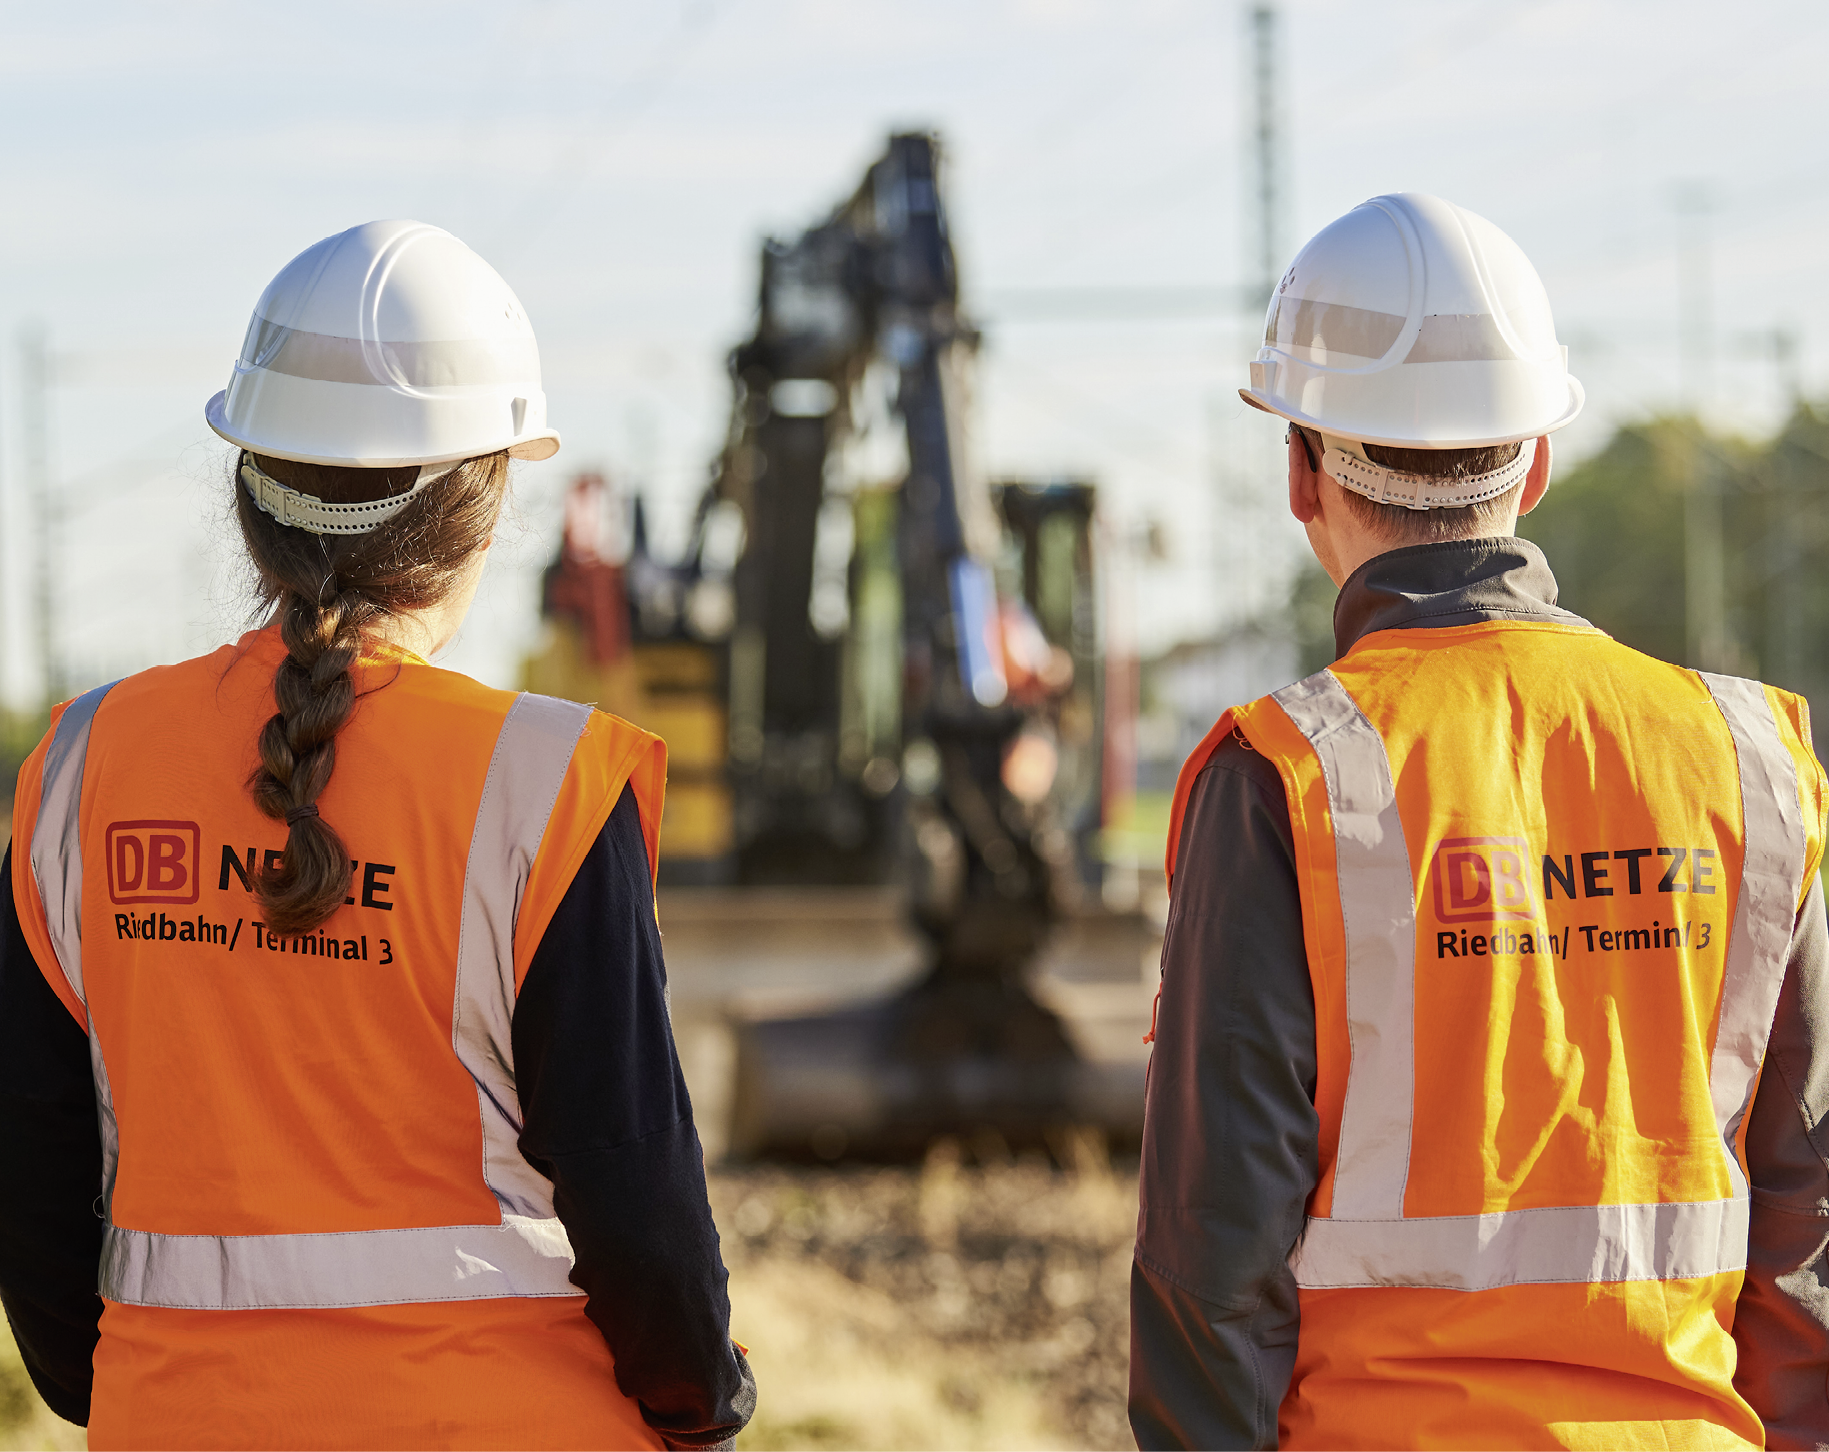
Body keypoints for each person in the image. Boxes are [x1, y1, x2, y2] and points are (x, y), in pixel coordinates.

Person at [0, 220, 755, 1449]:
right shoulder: (544, 782)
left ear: (251, 490)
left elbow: (30, 1170)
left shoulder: (81, 769)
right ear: (482, 501)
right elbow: (636, 1194)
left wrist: (132, 1386)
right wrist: (703, 1403)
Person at [1129, 192, 1829, 1451]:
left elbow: (1209, 1261)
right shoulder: (1748, 764)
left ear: (1299, 472)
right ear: (1537, 461)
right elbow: (1805, 1222)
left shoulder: (1282, 780)